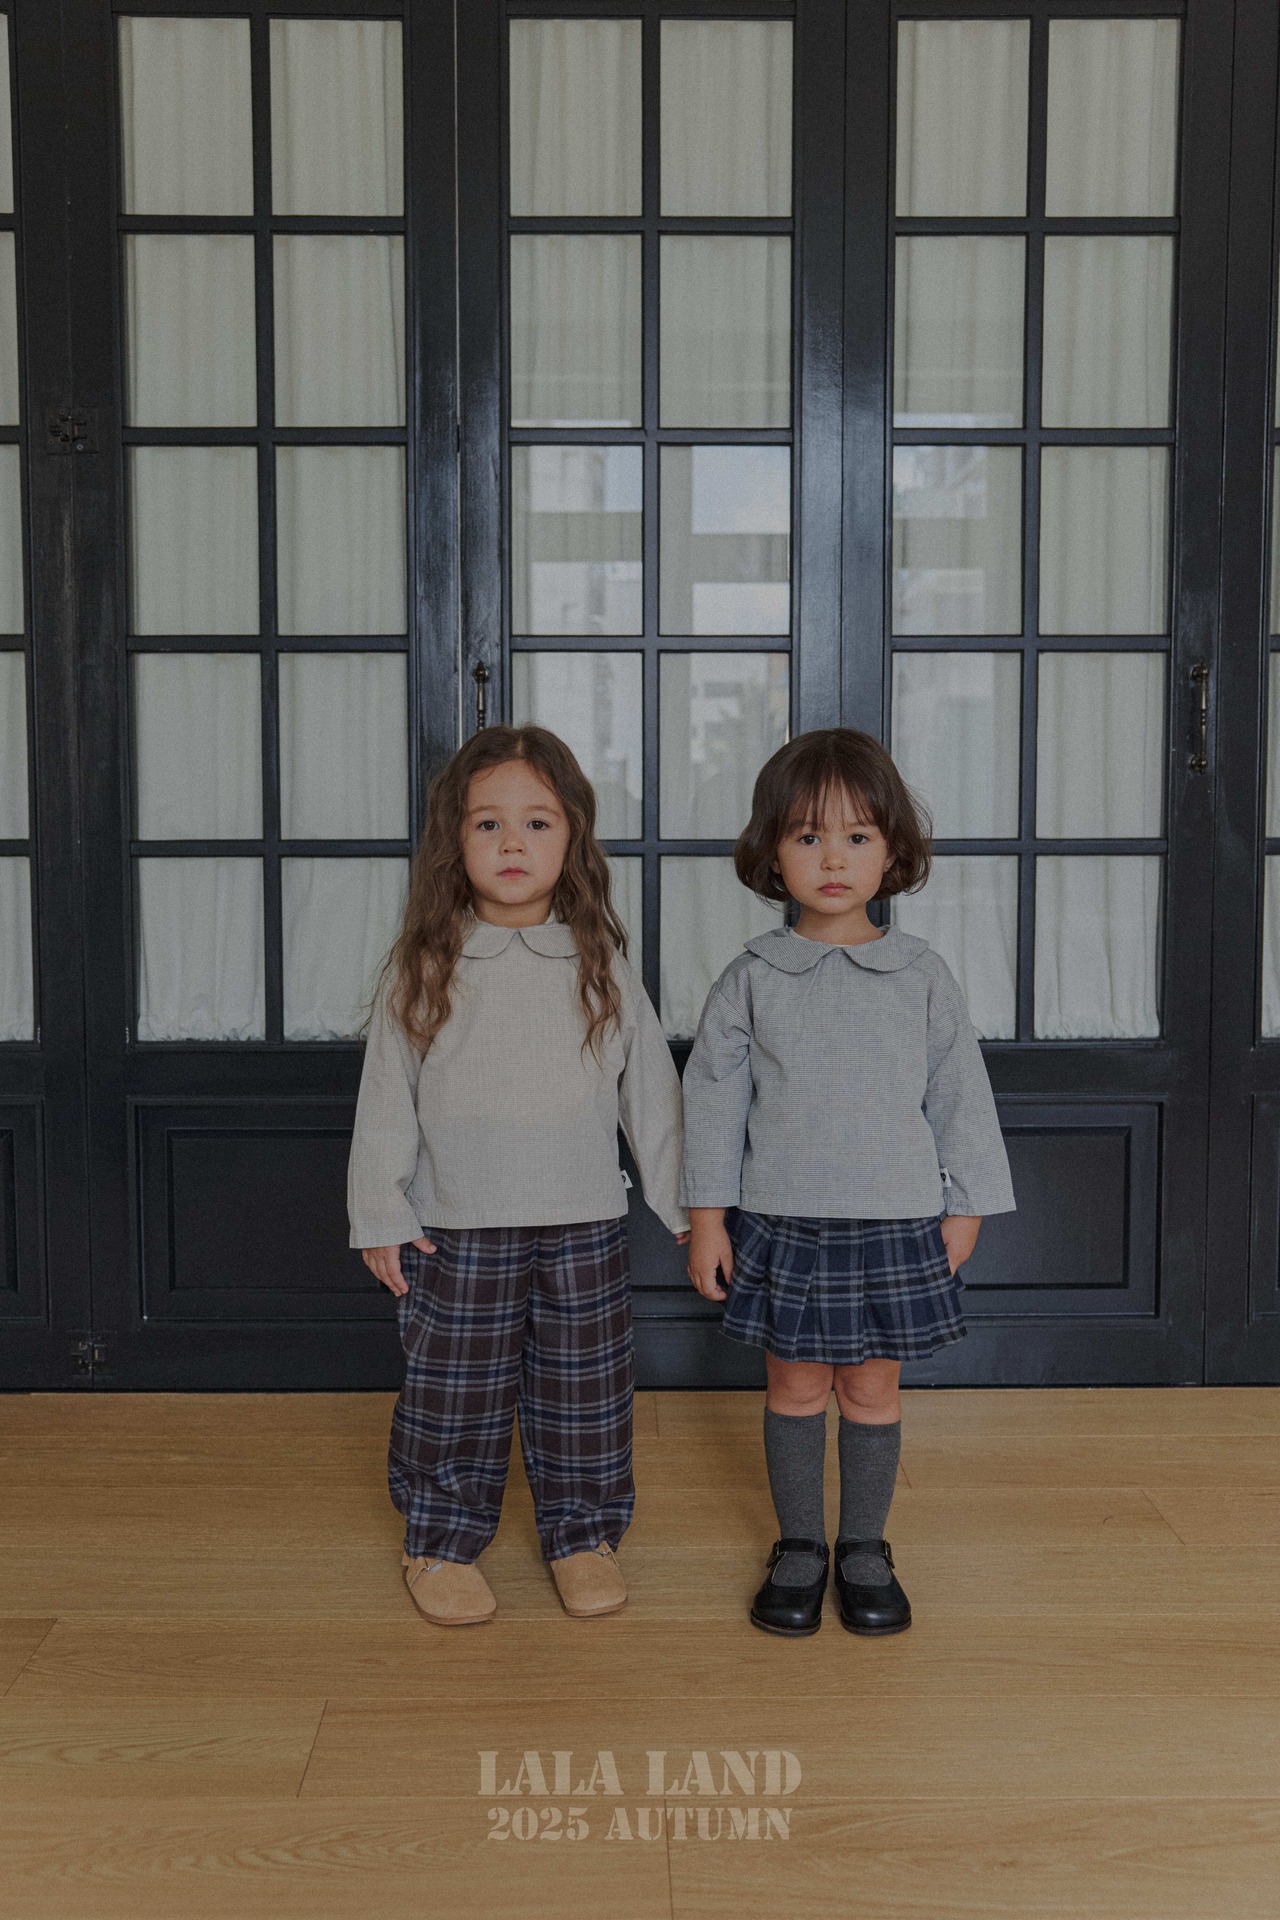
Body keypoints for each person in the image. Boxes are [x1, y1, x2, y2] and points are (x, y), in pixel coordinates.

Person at [348, 724, 688, 1628]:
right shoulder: (426, 964)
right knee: (453, 1392)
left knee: (585, 1390)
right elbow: (386, 1097)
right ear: (454, 842)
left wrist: (688, 1207)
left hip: (582, 1218)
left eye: (537, 823)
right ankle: (440, 1537)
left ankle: (582, 1534)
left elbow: (651, 1093)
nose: (512, 843)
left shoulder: (599, 962)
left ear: (571, 838)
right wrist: (379, 1212)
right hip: (454, 1224)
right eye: (488, 823)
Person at [681, 728, 1014, 1638]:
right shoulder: (753, 978)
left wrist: (968, 1205)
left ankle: (864, 1546)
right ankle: (799, 1545)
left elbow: (961, 1093)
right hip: (783, 1224)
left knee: (870, 1392)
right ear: (771, 852)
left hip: (896, 1223)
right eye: (808, 836)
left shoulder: (922, 976)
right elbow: (711, 1103)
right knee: (794, 1390)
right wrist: (707, 1219)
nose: (833, 858)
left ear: (893, 852)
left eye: (857, 836)